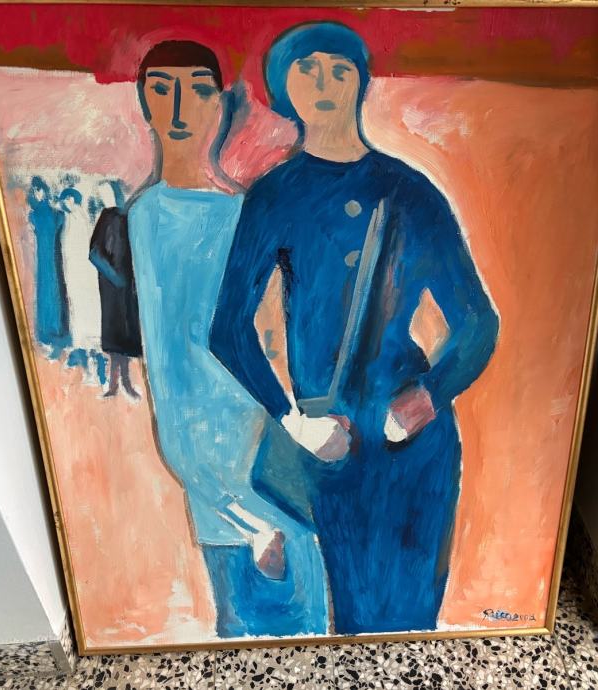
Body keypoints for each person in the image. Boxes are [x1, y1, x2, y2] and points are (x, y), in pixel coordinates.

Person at [211, 22, 499, 635]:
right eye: (308, 70)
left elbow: (477, 322)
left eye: (340, 70)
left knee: (412, 618)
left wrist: (428, 397)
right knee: (348, 617)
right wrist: (294, 422)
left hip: (414, 443)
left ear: (360, 83)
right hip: (327, 439)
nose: (325, 83)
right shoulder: (276, 195)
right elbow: (229, 328)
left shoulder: (411, 192)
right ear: (285, 88)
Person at [126, 40, 328, 638]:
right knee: (250, 633)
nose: (179, 108)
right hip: (217, 480)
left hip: (279, 451)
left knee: (309, 625)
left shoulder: (249, 213)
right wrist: (236, 513)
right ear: (144, 102)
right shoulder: (145, 216)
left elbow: (282, 336)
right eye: (162, 89)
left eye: (197, 90)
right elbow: (169, 368)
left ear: (220, 104)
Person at [88, 180, 141, 399]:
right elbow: (94, 253)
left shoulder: (127, 218)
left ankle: (126, 383)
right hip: (111, 287)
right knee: (114, 334)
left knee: (125, 335)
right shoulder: (105, 218)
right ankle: (113, 385)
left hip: (127, 287)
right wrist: (114, 276)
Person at [59, 185, 106, 385]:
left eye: (67, 199)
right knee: (78, 315)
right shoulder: (70, 219)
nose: (65, 203)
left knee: (88, 316)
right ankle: (88, 364)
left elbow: (85, 249)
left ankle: (95, 364)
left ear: (73, 199)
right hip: (75, 276)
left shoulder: (81, 218)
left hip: (84, 276)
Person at [28, 176, 70, 358]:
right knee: (48, 292)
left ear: (44, 191)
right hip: (46, 258)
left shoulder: (47, 214)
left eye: (39, 190)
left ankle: (53, 334)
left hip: (51, 258)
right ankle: (49, 334)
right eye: (35, 191)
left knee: (52, 292)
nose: (37, 193)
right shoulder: (38, 214)